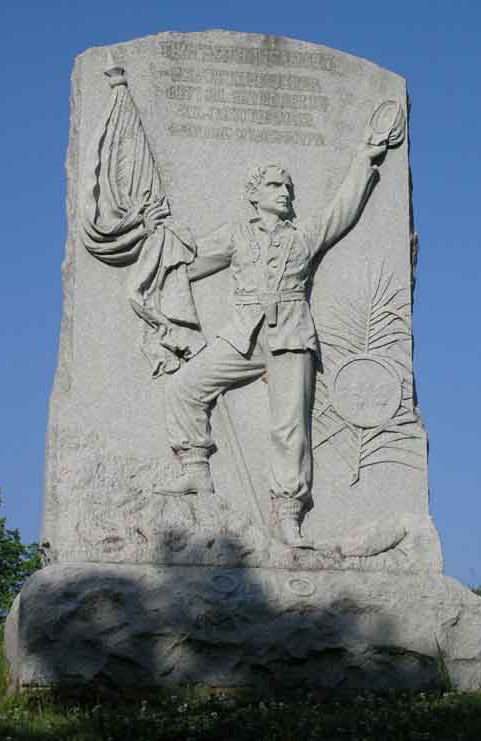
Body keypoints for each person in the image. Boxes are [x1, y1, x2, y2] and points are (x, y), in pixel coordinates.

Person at [150, 137, 387, 547]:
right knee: (184, 386)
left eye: (288, 187)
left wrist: (365, 159)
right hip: (244, 335)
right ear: (254, 194)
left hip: (291, 337)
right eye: (276, 186)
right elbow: (189, 265)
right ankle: (195, 469)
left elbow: (340, 213)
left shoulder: (303, 236)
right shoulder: (236, 234)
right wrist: (160, 243)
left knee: (289, 429)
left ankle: (288, 515)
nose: (285, 193)